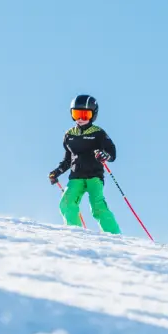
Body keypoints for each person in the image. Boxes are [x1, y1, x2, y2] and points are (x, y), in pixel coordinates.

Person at [48, 94, 120, 234]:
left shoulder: (98, 133)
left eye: (85, 115)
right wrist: (57, 172)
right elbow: (67, 160)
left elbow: (112, 153)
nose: (80, 118)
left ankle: (114, 234)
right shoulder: (69, 135)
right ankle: (75, 233)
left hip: (94, 176)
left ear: (93, 115)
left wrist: (105, 155)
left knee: (97, 207)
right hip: (76, 177)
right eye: (76, 114)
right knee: (66, 203)